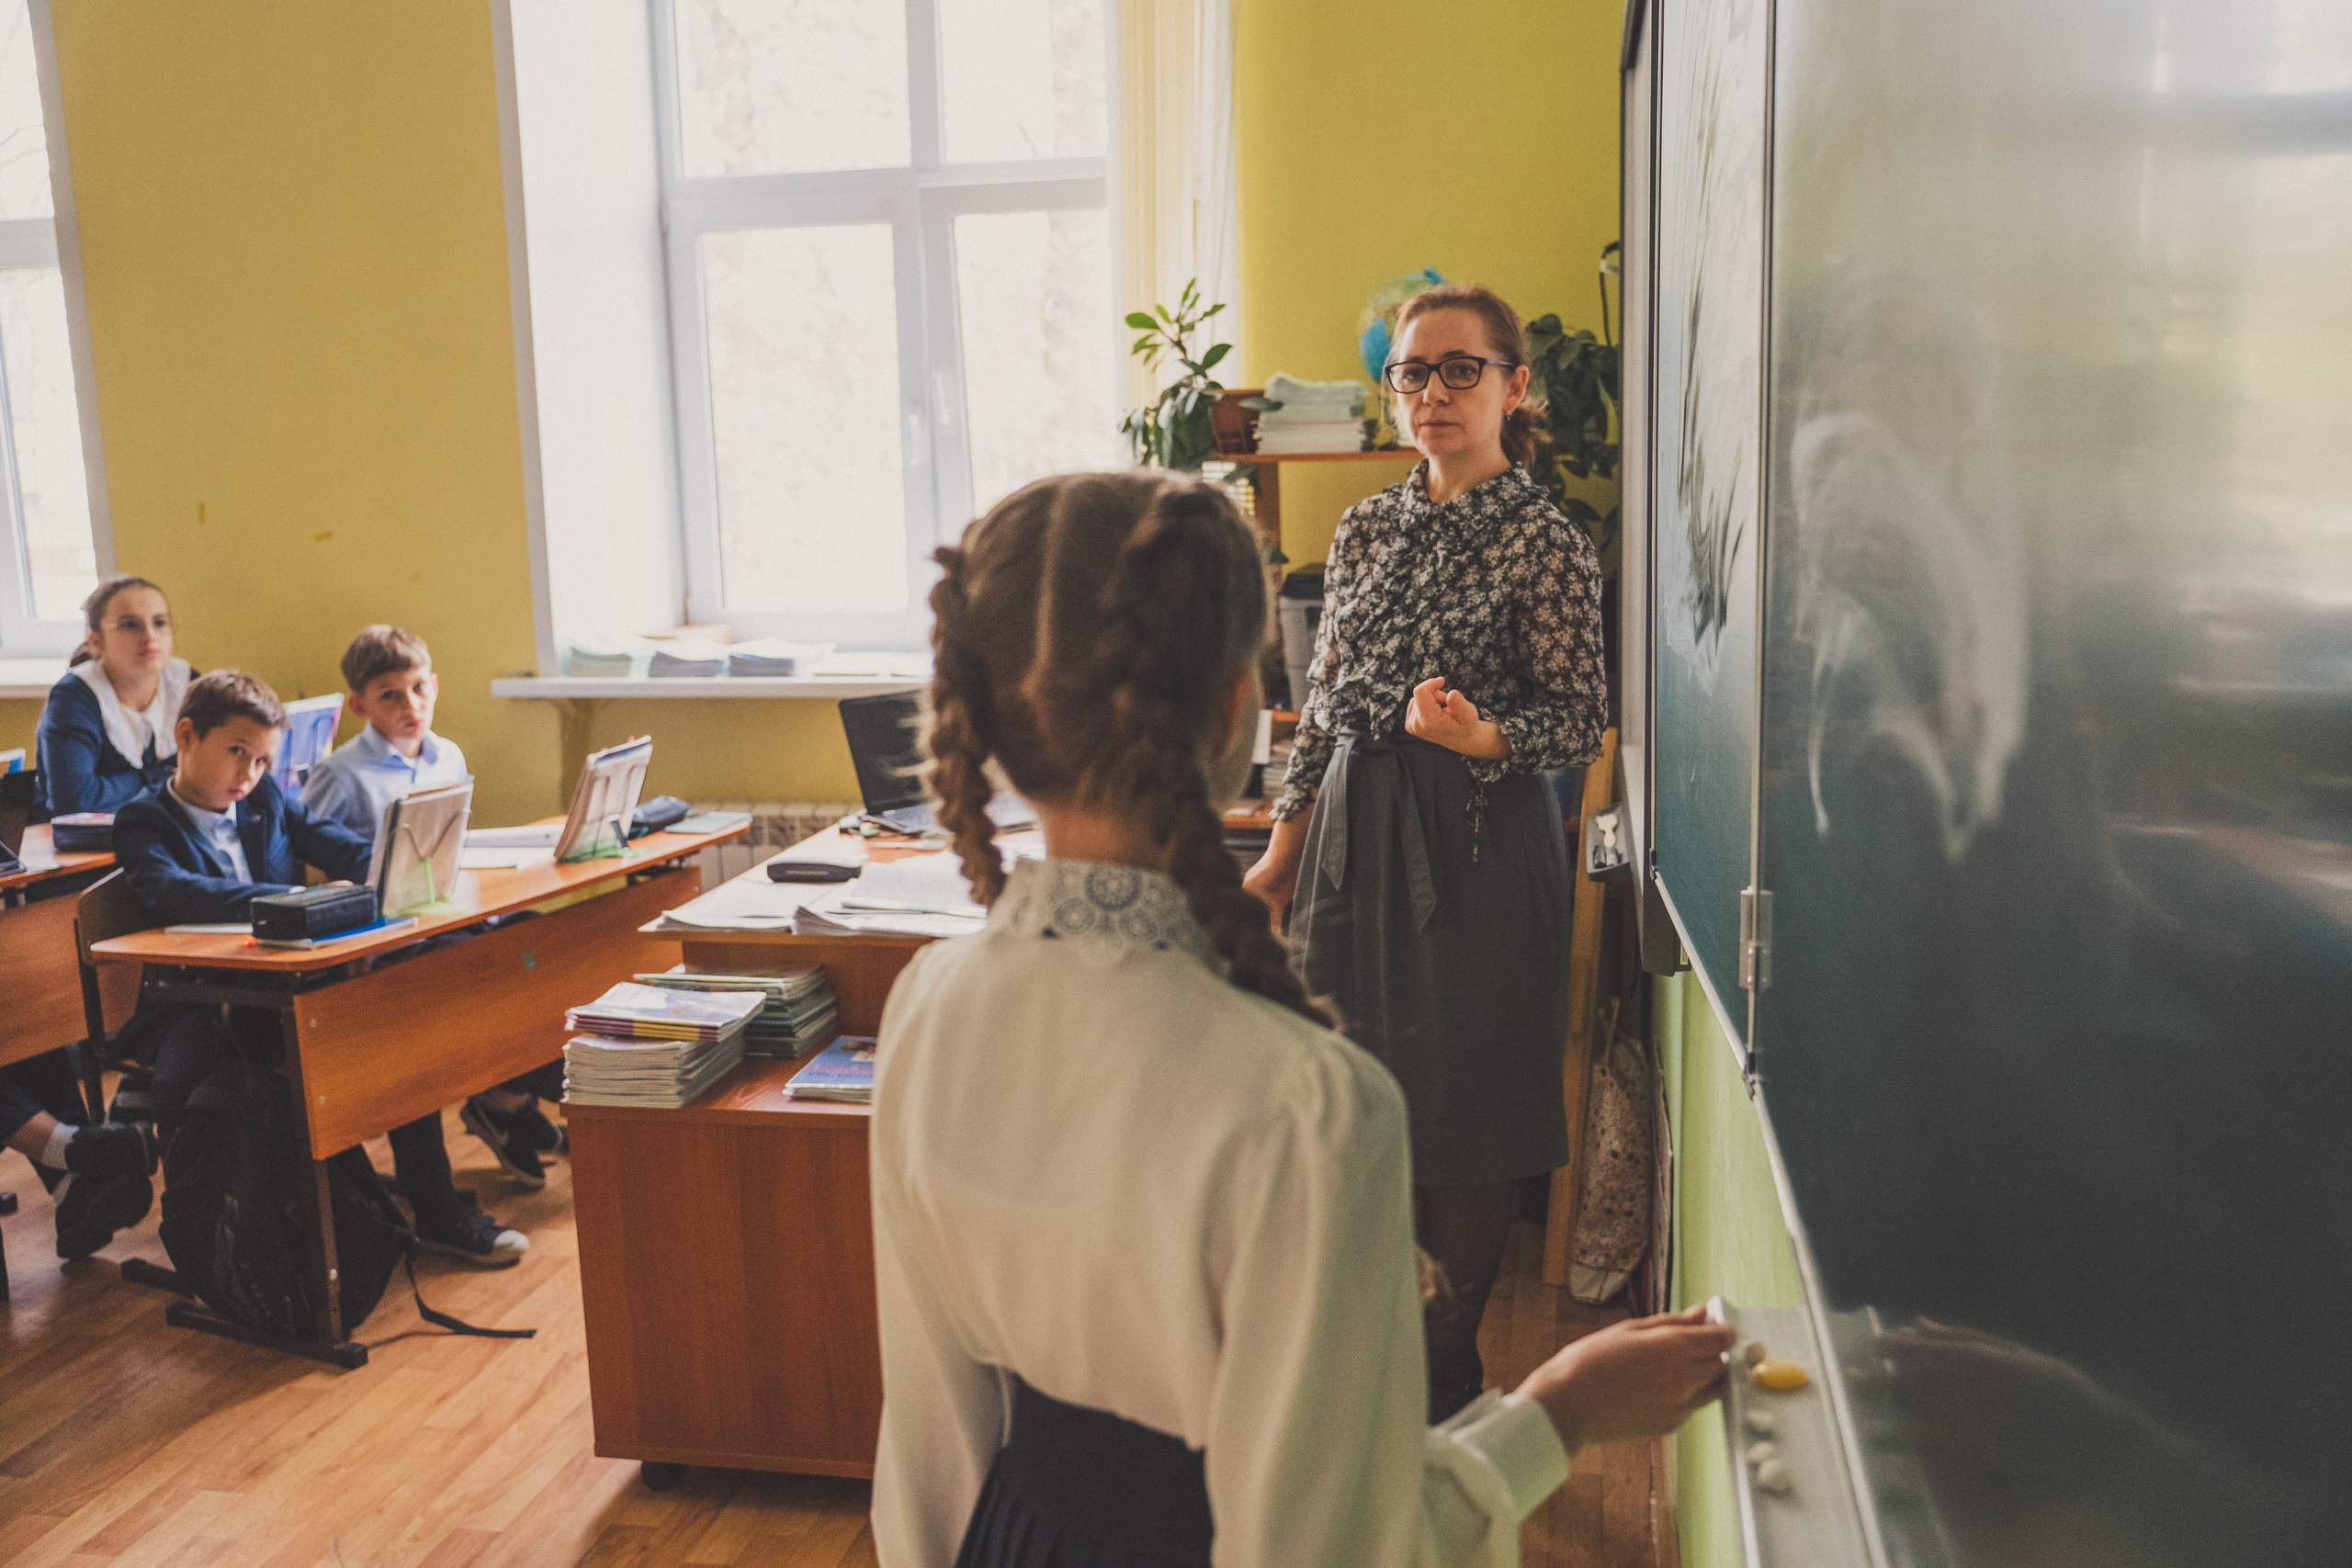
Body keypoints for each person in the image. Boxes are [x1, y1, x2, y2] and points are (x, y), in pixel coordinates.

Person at [871, 472, 1729, 1568]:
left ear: (984, 721)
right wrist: (1561, 1407)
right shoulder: (1312, 1104)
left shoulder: (927, 1008)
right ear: (1237, 705)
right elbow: (1342, 1550)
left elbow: (927, 1464)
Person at [1243, 283, 1608, 1419]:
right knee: (1354, 1100)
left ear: (1514, 386)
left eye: (1460, 370)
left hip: (1481, 849)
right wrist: (1280, 853)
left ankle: (1447, 1379)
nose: (1433, 393)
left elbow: (1580, 715)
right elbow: (1330, 700)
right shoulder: (1363, 525)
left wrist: (1480, 735)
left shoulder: (1545, 536)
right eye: (1413, 372)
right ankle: (1370, 1368)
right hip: (1351, 845)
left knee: (1466, 1114)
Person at [112, 670, 529, 1266]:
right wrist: (293, 903)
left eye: (261, 761)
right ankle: (341, 1228)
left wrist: (394, 868)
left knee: (401, 1019)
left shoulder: (262, 798)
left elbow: (341, 846)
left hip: (292, 982)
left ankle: (430, 1212)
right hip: (202, 1002)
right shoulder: (144, 820)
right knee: (373, 1035)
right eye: (237, 753)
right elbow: (176, 893)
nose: (249, 774)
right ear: (186, 735)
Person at [300, 625, 567, 1187]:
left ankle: (508, 1092)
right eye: (390, 695)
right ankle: (509, 1097)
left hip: (455, 910)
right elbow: (310, 862)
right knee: (470, 969)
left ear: (436, 686)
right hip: (394, 936)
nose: (410, 705)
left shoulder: (448, 755)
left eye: (420, 688)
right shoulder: (340, 774)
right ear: (359, 705)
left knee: (536, 944)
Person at [35, 575, 187, 818]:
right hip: (84, 847)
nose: (150, 636)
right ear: (97, 642)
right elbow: (75, 800)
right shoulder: (73, 698)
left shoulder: (185, 682)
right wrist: (159, 777)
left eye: (159, 622)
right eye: (129, 625)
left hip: (163, 830)